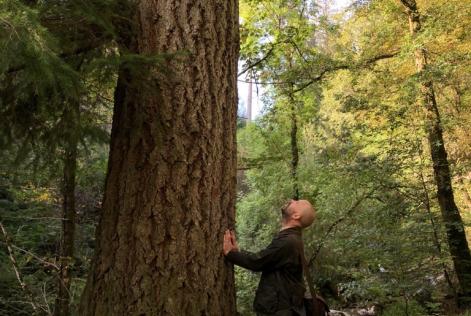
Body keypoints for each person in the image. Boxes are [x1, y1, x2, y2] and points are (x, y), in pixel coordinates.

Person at [223, 199, 316, 316]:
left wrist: (231, 254)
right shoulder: (291, 239)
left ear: (296, 215)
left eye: (297, 203)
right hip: (281, 307)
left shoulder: (288, 241)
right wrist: (237, 252)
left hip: (279, 309)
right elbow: (266, 259)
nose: (292, 200)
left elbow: (258, 262)